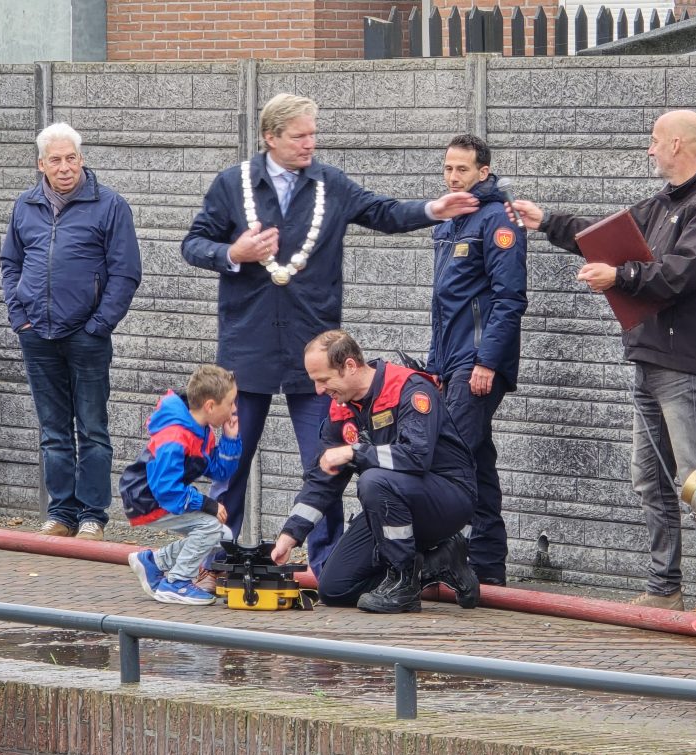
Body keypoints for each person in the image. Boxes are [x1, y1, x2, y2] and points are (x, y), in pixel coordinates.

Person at [182, 93, 478, 578]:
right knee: (230, 463)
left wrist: (433, 208)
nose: (310, 144)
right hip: (248, 346)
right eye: (299, 136)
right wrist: (233, 251)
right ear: (270, 137)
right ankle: (215, 558)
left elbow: (382, 212)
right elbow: (192, 244)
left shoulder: (329, 184)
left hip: (314, 353)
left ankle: (323, 564)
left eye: (313, 134)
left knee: (325, 460)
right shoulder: (231, 185)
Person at [508, 110, 696, 610]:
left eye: (655, 141)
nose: (650, 150)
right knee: (651, 479)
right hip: (649, 356)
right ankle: (665, 589)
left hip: (688, 367)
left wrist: (621, 278)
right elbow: (606, 235)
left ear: (678, 144)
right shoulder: (665, 203)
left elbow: (680, 274)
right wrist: (547, 222)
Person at [0, 122, 142, 541]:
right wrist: (19, 318)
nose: (65, 167)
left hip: (87, 336)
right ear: (41, 164)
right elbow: (10, 264)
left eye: (71, 158)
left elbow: (126, 272)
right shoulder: (25, 206)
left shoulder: (109, 205)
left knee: (92, 428)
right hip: (36, 335)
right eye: (56, 160)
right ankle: (60, 514)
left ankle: (93, 516)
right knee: (53, 431)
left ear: (81, 159)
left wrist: (99, 325)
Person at [271, 330, 479, 614]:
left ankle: (403, 582)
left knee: (374, 480)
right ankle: (437, 563)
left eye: (323, 380)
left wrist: (355, 452)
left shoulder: (409, 389)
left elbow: (416, 456)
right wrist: (290, 535)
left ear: (350, 366)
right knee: (334, 588)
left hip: (448, 497)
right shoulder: (342, 409)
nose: (319, 391)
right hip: (392, 502)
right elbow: (323, 479)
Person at [427, 134, 528, 586]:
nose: (453, 176)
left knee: (447, 459)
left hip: (479, 363)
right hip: (451, 363)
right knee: (476, 458)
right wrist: (434, 366)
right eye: (448, 168)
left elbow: (509, 300)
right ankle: (488, 564)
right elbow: (442, 305)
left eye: (462, 169)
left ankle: (438, 559)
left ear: (483, 173)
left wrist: (486, 362)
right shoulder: (450, 221)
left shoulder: (498, 220)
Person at [121, 364, 242, 606]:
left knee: (223, 536)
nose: (234, 409)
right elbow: (166, 489)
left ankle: (154, 562)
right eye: (230, 403)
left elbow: (219, 471)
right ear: (210, 406)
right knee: (209, 527)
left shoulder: (201, 429)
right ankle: (177, 583)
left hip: (164, 496)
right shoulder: (176, 435)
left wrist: (230, 440)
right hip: (147, 500)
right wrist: (207, 504)